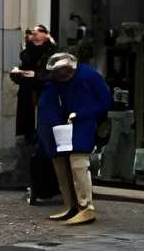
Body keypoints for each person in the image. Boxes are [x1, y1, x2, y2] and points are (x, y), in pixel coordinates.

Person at [35, 45, 114, 225]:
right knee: (64, 166)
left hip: (84, 123)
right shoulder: (60, 81)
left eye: (60, 72)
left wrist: (83, 114)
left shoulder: (87, 76)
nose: (59, 76)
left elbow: (105, 102)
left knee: (78, 164)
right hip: (68, 124)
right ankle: (71, 205)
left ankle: (85, 207)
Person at [9, 24, 57, 204]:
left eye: (39, 34)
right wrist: (19, 74)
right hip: (29, 103)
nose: (35, 37)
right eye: (32, 34)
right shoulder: (27, 54)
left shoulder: (52, 53)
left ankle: (45, 188)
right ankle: (34, 187)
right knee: (30, 145)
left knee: (44, 146)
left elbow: (51, 76)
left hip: (46, 103)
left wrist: (33, 75)